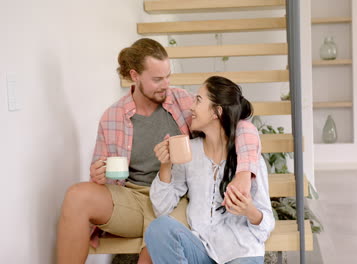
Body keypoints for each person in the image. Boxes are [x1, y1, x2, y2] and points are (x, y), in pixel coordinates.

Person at [56, 39, 260, 264]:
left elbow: (241, 126)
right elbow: (101, 173)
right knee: (76, 196)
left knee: (157, 242)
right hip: (131, 198)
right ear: (135, 76)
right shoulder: (112, 116)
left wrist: (244, 172)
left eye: (168, 76)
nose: (166, 84)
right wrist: (98, 175)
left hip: (177, 198)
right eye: (157, 79)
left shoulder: (183, 102)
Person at [146, 76, 275, 263]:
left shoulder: (249, 159)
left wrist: (249, 211)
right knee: (158, 228)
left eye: (198, 100)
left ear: (217, 111)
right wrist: (165, 165)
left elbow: (265, 225)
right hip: (202, 249)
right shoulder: (190, 152)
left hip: (241, 252)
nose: (191, 107)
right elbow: (162, 207)